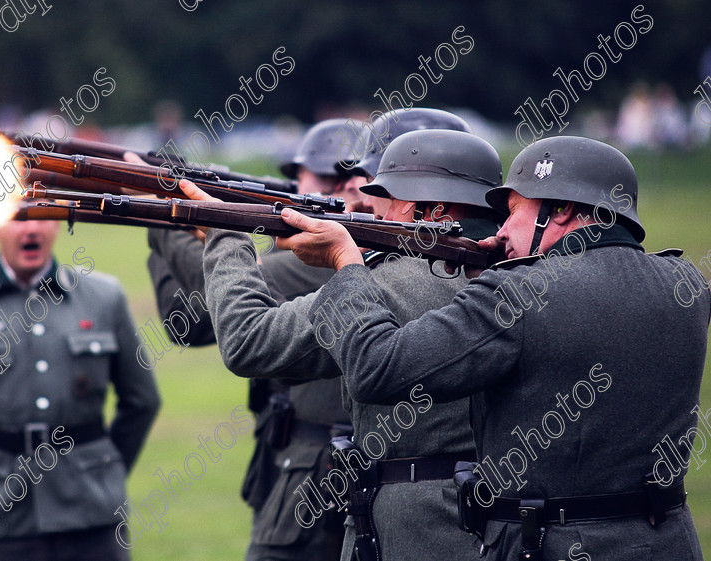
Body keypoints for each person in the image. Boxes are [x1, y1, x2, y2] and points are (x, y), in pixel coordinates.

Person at [275, 135, 708, 561]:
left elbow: (377, 369)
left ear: (560, 213)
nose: (501, 229)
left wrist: (347, 266)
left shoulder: (514, 296)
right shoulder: (687, 285)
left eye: (514, 211)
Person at [182, 113, 506, 561]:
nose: (373, 207)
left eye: (386, 194)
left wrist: (227, 233)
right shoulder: (524, 273)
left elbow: (247, 340)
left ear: (430, 210)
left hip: (409, 533)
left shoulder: (388, 283)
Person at [143, 118, 361, 561]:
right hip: (294, 461)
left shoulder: (321, 263)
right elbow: (183, 321)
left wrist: (166, 214)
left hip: (317, 473)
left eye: (320, 178)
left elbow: (208, 307)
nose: (300, 185)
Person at [0, 218, 161, 561]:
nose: (30, 229)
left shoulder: (103, 297)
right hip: (1, 520)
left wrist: (103, 469)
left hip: (92, 516)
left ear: (59, 223)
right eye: (17, 218)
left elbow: (142, 400)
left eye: (42, 214)